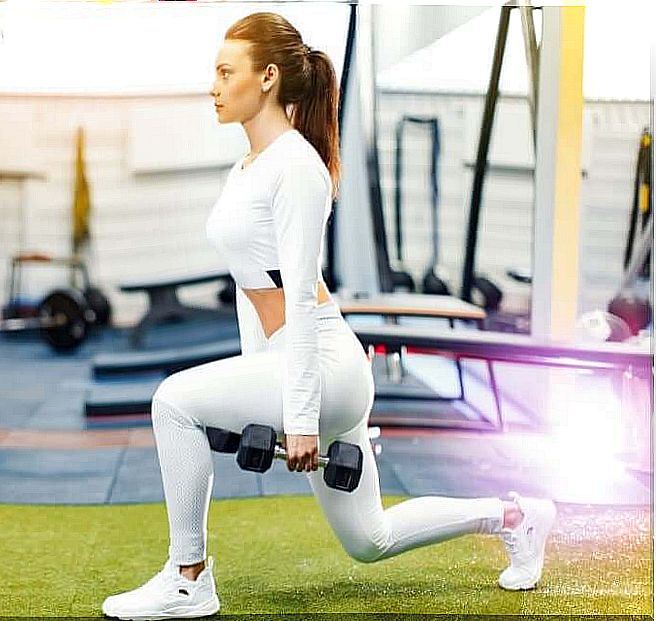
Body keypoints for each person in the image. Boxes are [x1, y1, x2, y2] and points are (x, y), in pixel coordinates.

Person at [102, 12, 556, 620]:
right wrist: (254, 394)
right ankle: (516, 517)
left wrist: (299, 416)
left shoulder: (296, 166)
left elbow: (299, 302)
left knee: (172, 401)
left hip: (325, 368)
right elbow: (249, 290)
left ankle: (189, 578)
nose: (213, 85)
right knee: (371, 539)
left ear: (266, 77)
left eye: (224, 71)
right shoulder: (246, 168)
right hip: (299, 367)